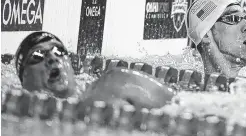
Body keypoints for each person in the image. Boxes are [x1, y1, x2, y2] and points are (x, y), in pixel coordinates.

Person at [15, 31, 175, 109]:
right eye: (38, 55)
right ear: (24, 77)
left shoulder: (117, 82)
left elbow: (181, 105)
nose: (52, 58)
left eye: (58, 51)